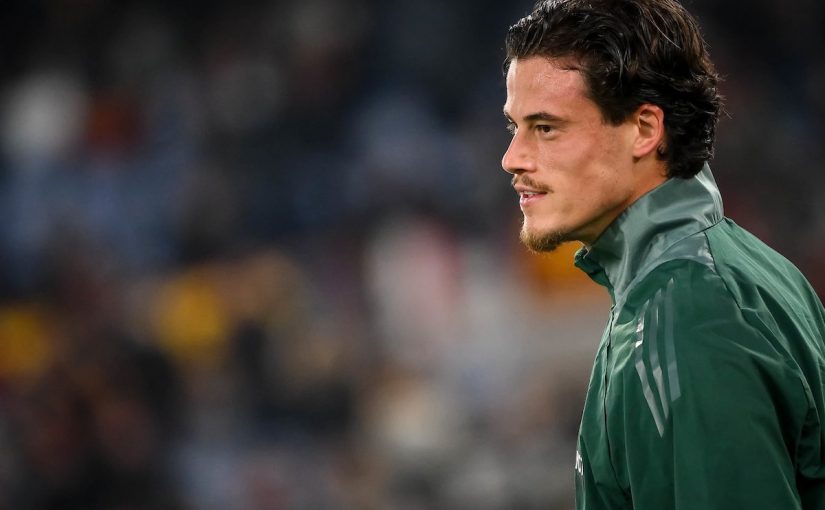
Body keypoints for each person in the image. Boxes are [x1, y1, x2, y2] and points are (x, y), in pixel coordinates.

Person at [500, 0, 825, 508]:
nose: (512, 158)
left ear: (645, 131)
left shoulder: (689, 314)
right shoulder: (733, 270)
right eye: (513, 127)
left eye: (546, 128)